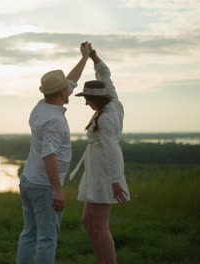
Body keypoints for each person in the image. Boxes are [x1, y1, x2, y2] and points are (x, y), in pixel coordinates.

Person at [16, 42, 91, 264]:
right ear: (61, 92)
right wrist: (57, 189)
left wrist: (84, 58)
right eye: (66, 88)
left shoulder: (41, 106)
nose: (70, 88)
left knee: (28, 233)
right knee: (47, 238)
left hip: (29, 179)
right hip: (44, 187)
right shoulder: (55, 121)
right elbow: (49, 155)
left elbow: (71, 80)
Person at [70, 44, 130, 264]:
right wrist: (93, 56)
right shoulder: (112, 101)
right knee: (88, 222)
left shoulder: (105, 119)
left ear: (97, 99)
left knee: (100, 225)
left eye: (87, 98)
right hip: (95, 172)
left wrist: (115, 181)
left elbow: (112, 151)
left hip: (105, 174)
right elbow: (104, 74)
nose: (85, 102)